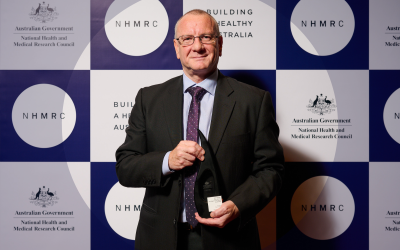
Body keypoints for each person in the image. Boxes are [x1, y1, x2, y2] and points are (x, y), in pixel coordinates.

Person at [116, 9, 284, 250]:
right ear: (176, 47)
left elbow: (271, 169)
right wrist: (167, 160)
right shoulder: (148, 99)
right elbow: (125, 167)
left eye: (206, 37)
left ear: (220, 44)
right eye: (188, 39)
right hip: (161, 238)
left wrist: (238, 204)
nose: (198, 46)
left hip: (229, 238)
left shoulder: (253, 101)